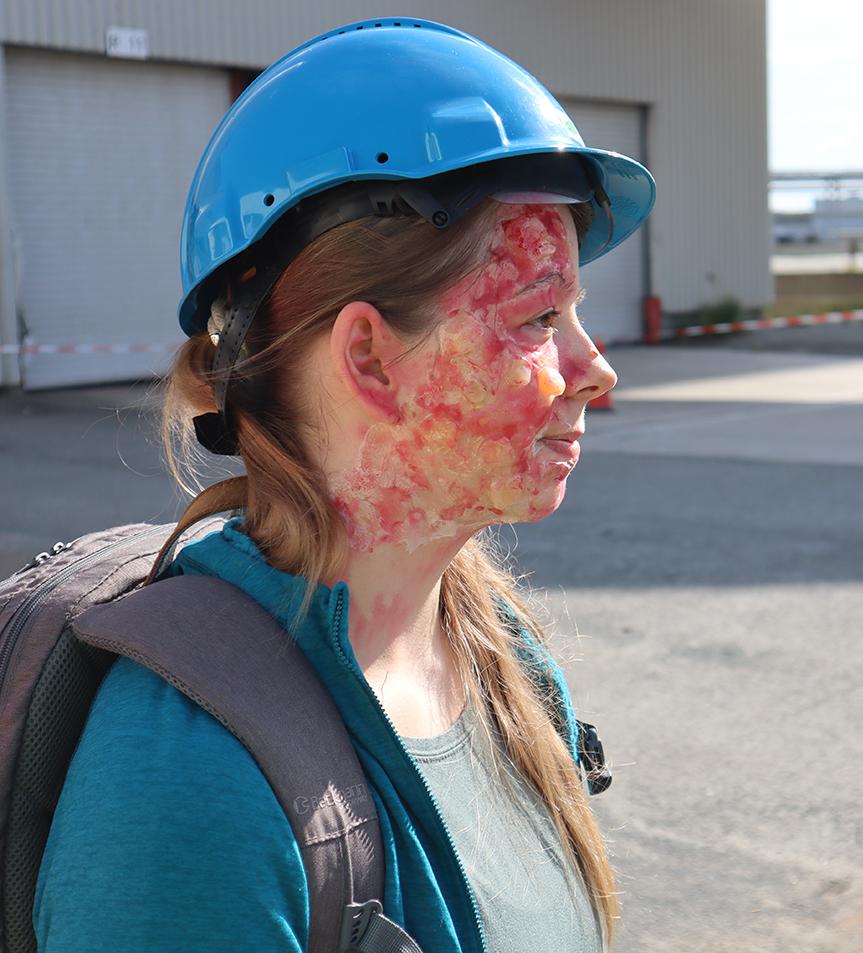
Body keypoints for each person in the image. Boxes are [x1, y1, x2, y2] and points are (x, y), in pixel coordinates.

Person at [33, 18, 654, 953]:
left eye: (576, 313)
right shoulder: (186, 790)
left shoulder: (505, 659)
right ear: (367, 355)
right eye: (538, 318)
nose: (595, 369)